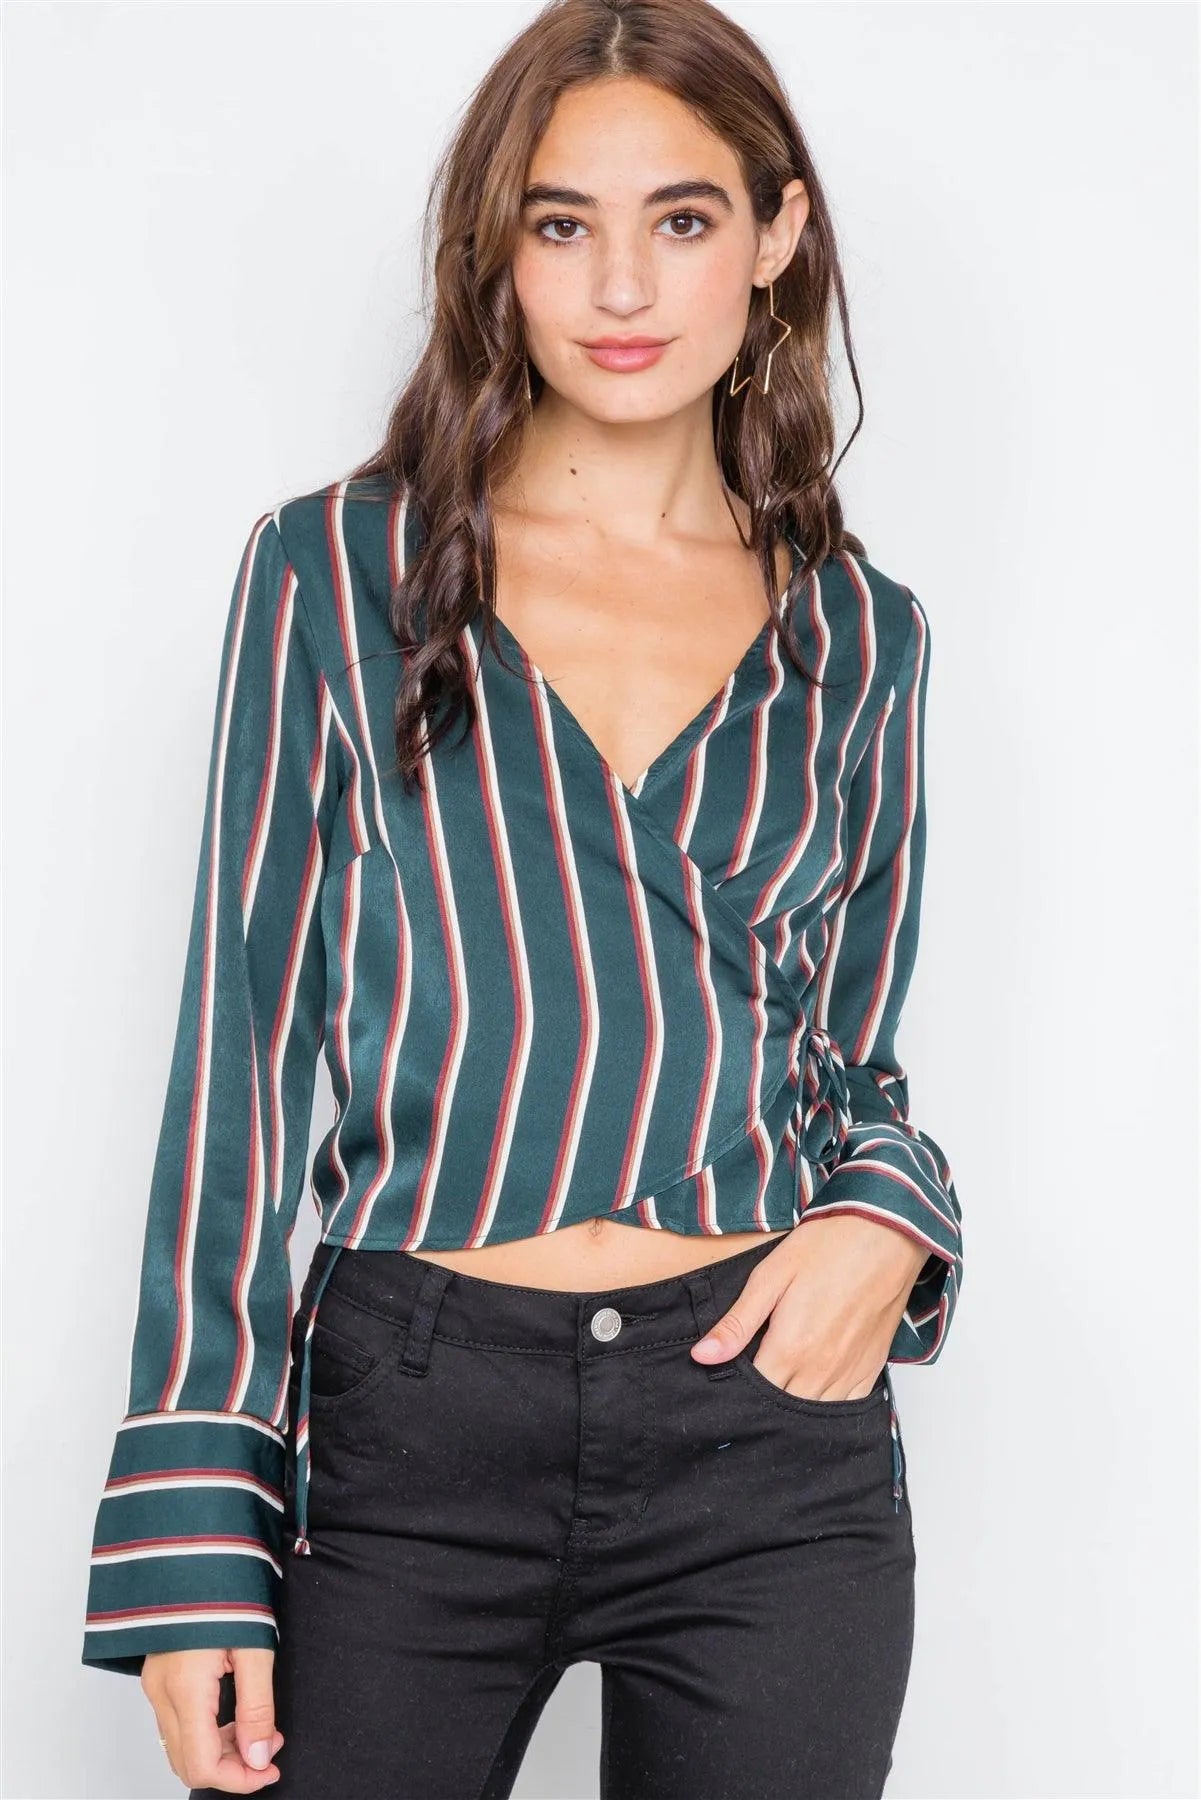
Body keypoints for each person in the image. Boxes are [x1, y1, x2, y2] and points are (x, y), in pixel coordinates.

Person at [81, 1, 964, 1793]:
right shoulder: (340, 570)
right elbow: (239, 1066)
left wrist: (892, 1216)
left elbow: (849, 1062)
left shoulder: (861, 636)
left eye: (682, 219)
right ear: (498, 252)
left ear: (775, 236)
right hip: (415, 1427)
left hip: (767, 1439)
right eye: (562, 224)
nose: (621, 285)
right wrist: (193, 1532)